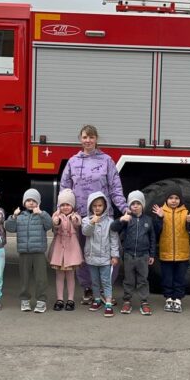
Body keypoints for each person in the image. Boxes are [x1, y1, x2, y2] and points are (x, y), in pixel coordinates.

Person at [60, 125, 128, 305]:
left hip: (104, 218)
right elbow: (65, 188)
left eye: (91, 137)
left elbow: (115, 188)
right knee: (83, 253)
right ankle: (88, 288)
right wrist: (64, 211)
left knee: (109, 253)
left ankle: (107, 290)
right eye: (84, 137)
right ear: (80, 139)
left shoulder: (107, 161)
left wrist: (125, 208)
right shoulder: (73, 162)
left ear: (96, 139)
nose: (87, 140)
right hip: (81, 218)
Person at [5, 188, 53, 313]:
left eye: (34, 201)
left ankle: (41, 301)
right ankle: (24, 300)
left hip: (38, 252)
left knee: (41, 278)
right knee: (24, 278)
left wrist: (41, 213)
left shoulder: (42, 215)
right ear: (24, 202)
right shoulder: (20, 216)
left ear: (38, 203)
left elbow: (49, 225)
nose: (31, 203)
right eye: (28, 200)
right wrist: (13, 216)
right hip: (24, 252)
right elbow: (9, 228)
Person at [110, 190, 156, 316]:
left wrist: (152, 254)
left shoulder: (148, 220)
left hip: (143, 256)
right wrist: (121, 219)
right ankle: (127, 301)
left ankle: (144, 302)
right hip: (129, 255)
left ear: (143, 205)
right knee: (128, 280)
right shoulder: (127, 219)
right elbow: (113, 228)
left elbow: (152, 238)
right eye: (132, 204)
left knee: (143, 280)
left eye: (138, 203)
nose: (135, 206)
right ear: (129, 206)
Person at [152, 185, 190, 313]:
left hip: (182, 254)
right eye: (171, 197)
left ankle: (177, 300)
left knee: (179, 278)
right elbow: (156, 231)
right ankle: (168, 299)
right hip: (166, 253)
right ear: (166, 199)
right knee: (167, 277)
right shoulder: (161, 212)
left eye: (176, 198)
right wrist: (159, 218)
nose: (173, 200)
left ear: (180, 199)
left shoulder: (185, 213)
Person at [82, 192, 120, 318]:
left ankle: (108, 303)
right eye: (94, 206)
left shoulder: (110, 222)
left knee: (106, 281)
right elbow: (85, 232)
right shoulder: (86, 220)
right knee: (95, 281)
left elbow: (114, 239)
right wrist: (92, 222)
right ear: (90, 207)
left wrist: (114, 255)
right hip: (91, 257)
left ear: (105, 206)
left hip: (105, 257)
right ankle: (97, 299)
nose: (97, 208)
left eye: (100, 205)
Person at [48, 189, 84, 312]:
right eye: (62, 205)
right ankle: (59, 299)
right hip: (59, 250)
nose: (65, 207)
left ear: (72, 205)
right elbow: (54, 225)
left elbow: (78, 223)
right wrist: (56, 221)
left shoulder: (76, 215)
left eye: (68, 204)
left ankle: (70, 299)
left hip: (72, 250)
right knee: (59, 276)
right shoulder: (56, 215)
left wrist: (74, 219)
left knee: (70, 276)